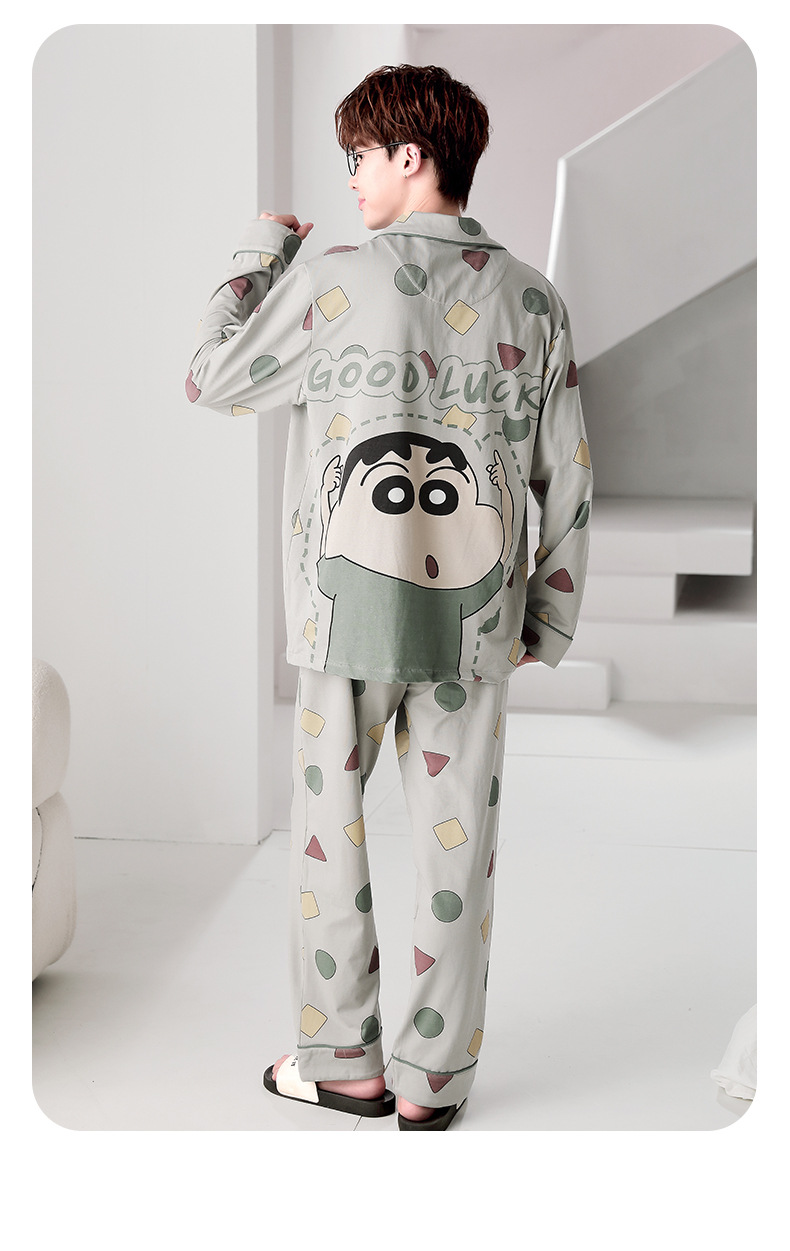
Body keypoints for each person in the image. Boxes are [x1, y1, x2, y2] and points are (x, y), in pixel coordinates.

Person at [186, 63, 592, 1130]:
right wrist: (545, 617)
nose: (353, 178)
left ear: (411, 155)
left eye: (359, 157)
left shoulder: (333, 282)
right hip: (475, 625)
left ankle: (343, 1062)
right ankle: (431, 1085)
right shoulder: (534, 299)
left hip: (345, 620)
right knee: (461, 853)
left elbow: (210, 377)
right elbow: (566, 474)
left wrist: (259, 252)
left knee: (330, 838)